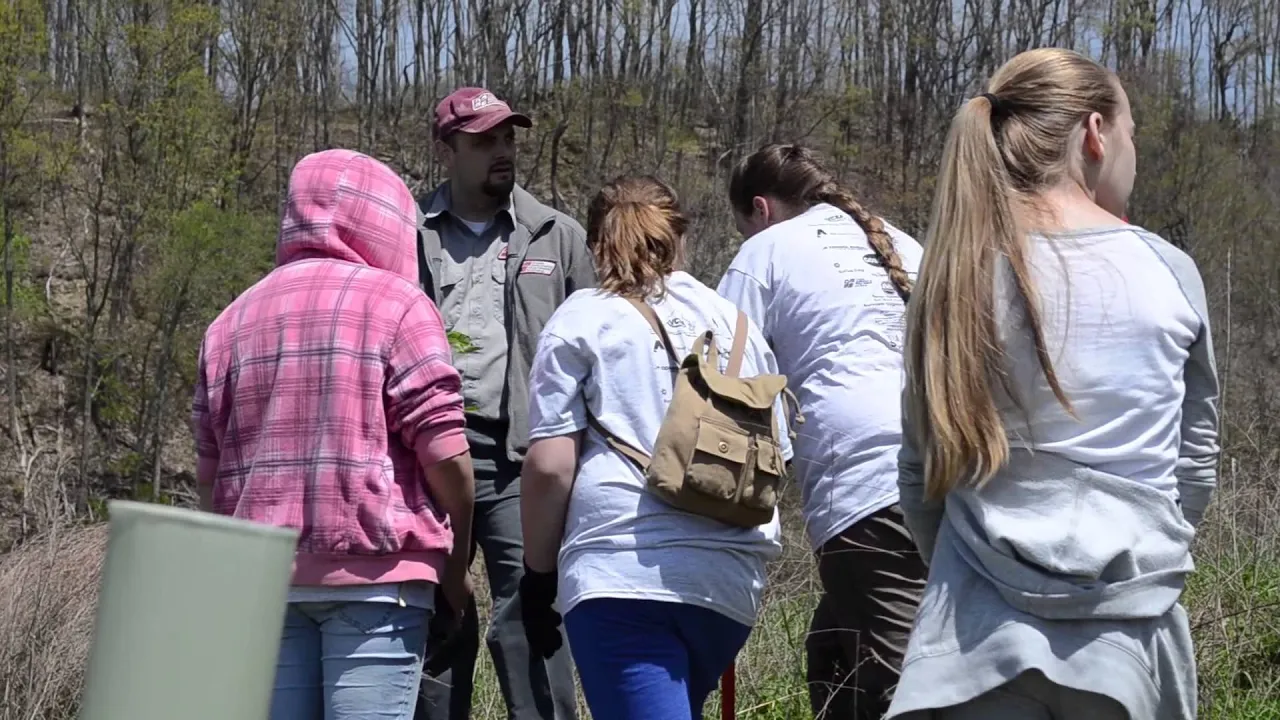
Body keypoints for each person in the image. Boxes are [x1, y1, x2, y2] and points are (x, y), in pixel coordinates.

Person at [887, 47, 1220, 719]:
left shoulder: (956, 276)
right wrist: (1152, 554)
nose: (1132, 153)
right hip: (1125, 637)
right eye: (1131, 133)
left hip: (970, 645)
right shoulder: (1168, 273)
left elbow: (921, 472)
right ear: (1096, 134)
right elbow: (1196, 461)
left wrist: (961, 566)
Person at [190, 148, 477, 720]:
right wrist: (456, 563)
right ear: (387, 221)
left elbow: (209, 479)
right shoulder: (400, 306)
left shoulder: (230, 321)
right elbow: (447, 457)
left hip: (265, 587)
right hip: (378, 585)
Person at [517, 174, 793, 720]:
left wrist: (538, 576)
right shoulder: (735, 322)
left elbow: (550, 466)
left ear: (595, 244)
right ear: (680, 238)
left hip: (622, 574)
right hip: (729, 584)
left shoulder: (583, 316)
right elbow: (777, 453)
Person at [716, 143, 928, 719]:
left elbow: (725, 381)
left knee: (898, 682)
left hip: (863, 483)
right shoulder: (906, 244)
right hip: (945, 468)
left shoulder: (765, 250)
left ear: (760, 208)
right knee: (834, 655)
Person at [413, 86, 592, 720]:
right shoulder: (408, 235)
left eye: (509, 138)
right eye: (485, 140)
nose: (503, 151)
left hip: (525, 458)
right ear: (447, 151)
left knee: (534, 612)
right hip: (429, 458)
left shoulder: (558, 237)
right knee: (435, 609)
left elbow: (595, 348)